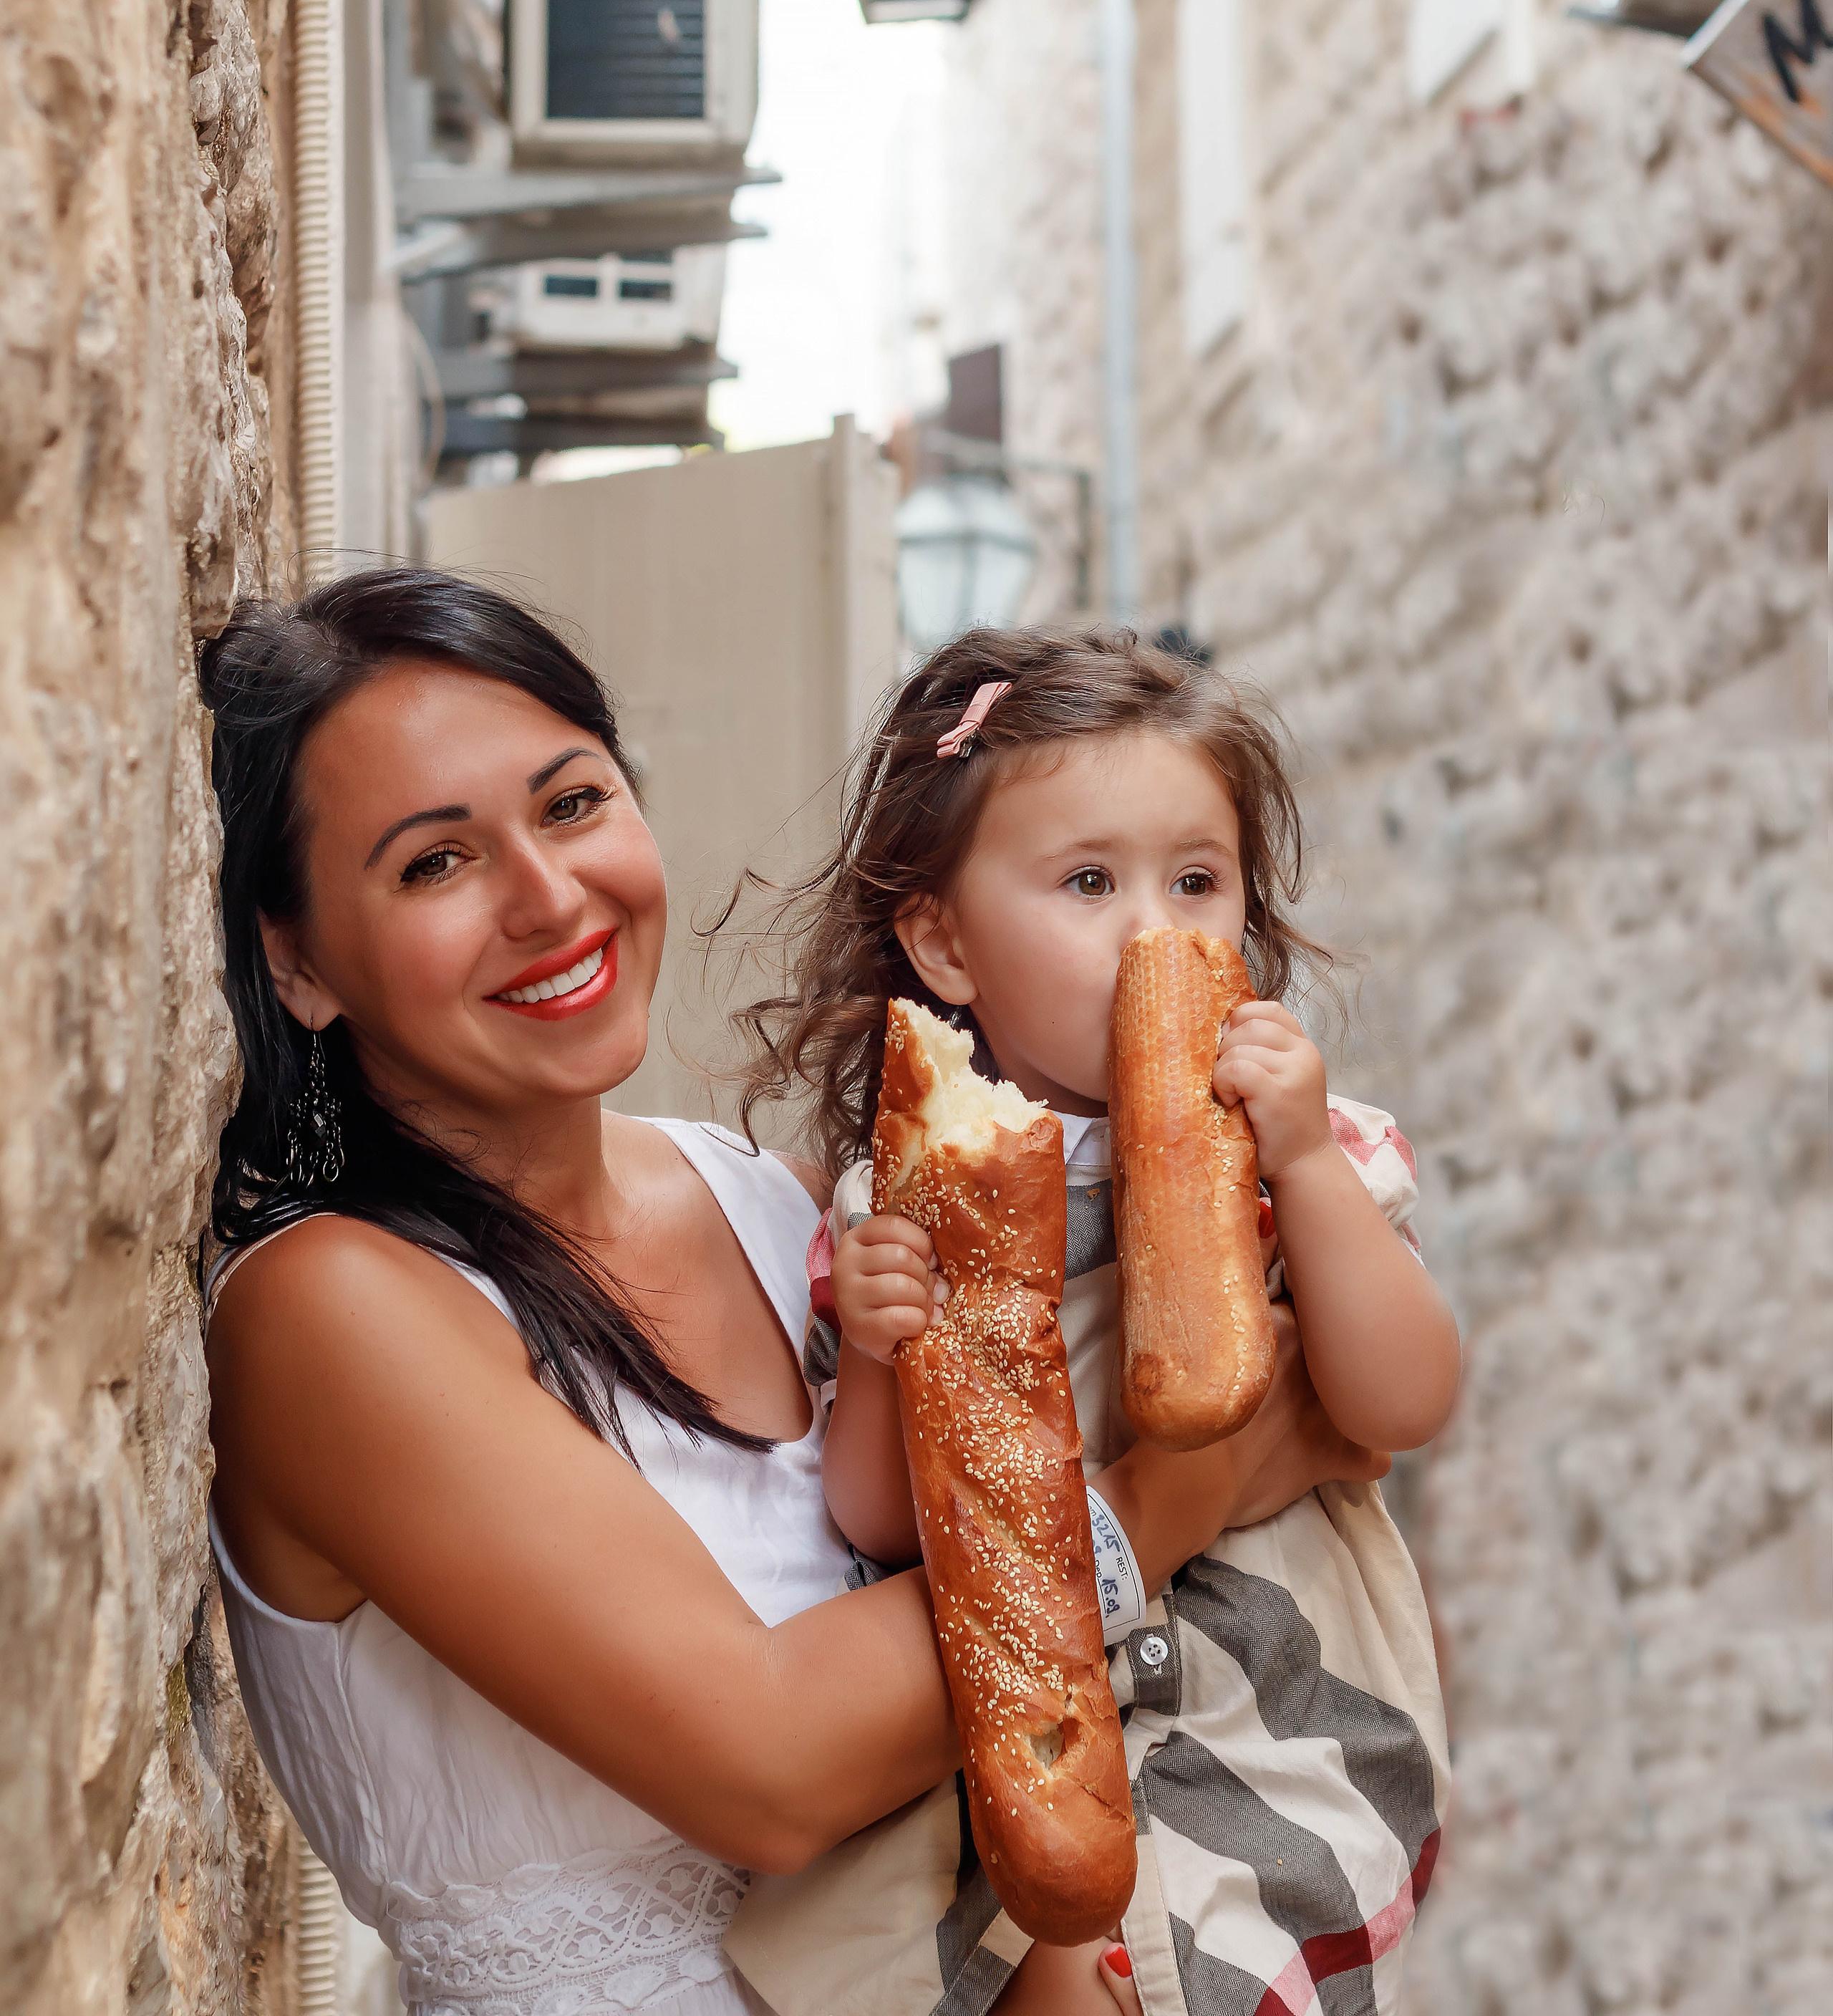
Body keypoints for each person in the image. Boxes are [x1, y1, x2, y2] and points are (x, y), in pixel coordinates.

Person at [200, 570, 1380, 2016]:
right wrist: (1191, 1488)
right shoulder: (332, 1310)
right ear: (298, 959)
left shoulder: (766, 1204)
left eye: (572, 804)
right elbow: (768, 1765)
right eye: (433, 864)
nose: (549, 896)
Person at [722, 630, 1460, 2016]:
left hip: (1269, 1727)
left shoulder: (1292, 1147)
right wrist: (880, 1355)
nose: (1151, 931)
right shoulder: (911, 1191)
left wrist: (1301, 1166)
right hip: (1007, 1769)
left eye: (1195, 881)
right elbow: (884, 1524)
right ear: (943, 941)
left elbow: (1400, 1400)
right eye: (1086, 882)